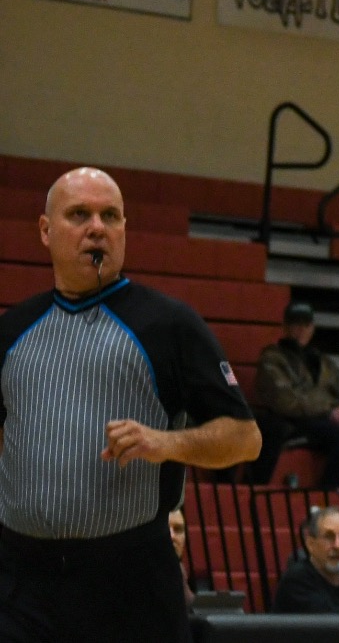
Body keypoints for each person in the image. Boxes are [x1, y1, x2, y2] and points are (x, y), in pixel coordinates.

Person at [0, 167, 261, 643]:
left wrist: (166, 443)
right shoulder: (12, 330)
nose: (96, 227)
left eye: (110, 216)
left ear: (124, 230)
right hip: (22, 583)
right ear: (44, 231)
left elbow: (246, 438)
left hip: (129, 584)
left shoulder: (170, 324)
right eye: (79, 214)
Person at [253, 302, 339, 489]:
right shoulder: (272, 359)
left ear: (312, 328)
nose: (301, 330)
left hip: (325, 419)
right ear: (285, 327)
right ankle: (327, 492)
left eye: (306, 325)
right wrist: (329, 408)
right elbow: (286, 402)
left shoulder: (322, 361)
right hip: (297, 421)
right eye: (295, 325)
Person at [272, 506, 339, 614]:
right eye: (329, 537)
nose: (338, 545)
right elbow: (336, 625)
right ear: (310, 545)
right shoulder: (296, 582)